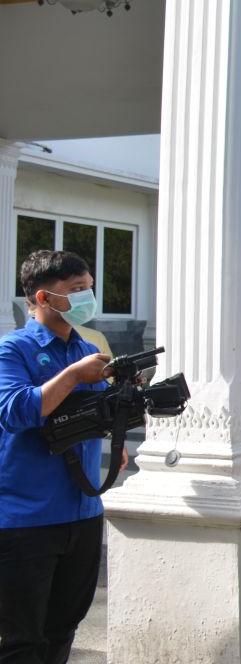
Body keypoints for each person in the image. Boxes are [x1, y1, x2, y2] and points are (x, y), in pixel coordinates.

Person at [0, 250, 120, 664]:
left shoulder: (86, 348)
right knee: (22, 640)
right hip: (27, 519)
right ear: (44, 298)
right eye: (77, 291)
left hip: (83, 513)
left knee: (62, 630)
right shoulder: (12, 350)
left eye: (89, 288)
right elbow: (15, 411)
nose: (88, 298)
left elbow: (98, 418)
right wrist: (72, 376)